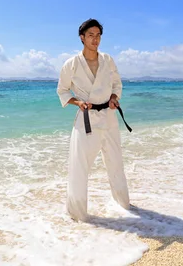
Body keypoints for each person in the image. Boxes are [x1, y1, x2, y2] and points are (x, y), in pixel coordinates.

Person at [56, 18, 130, 222]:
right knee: (80, 166)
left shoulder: (108, 60)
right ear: (82, 38)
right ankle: (77, 214)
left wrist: (114, 98)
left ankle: (124, 205)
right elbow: (62, 90)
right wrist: (77, 102)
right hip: (86, 119)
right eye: (91, 35)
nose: (95, 39)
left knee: (115, 162)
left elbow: (117, 84)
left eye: (98, 35)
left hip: (109, 117)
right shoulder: (71, 64)